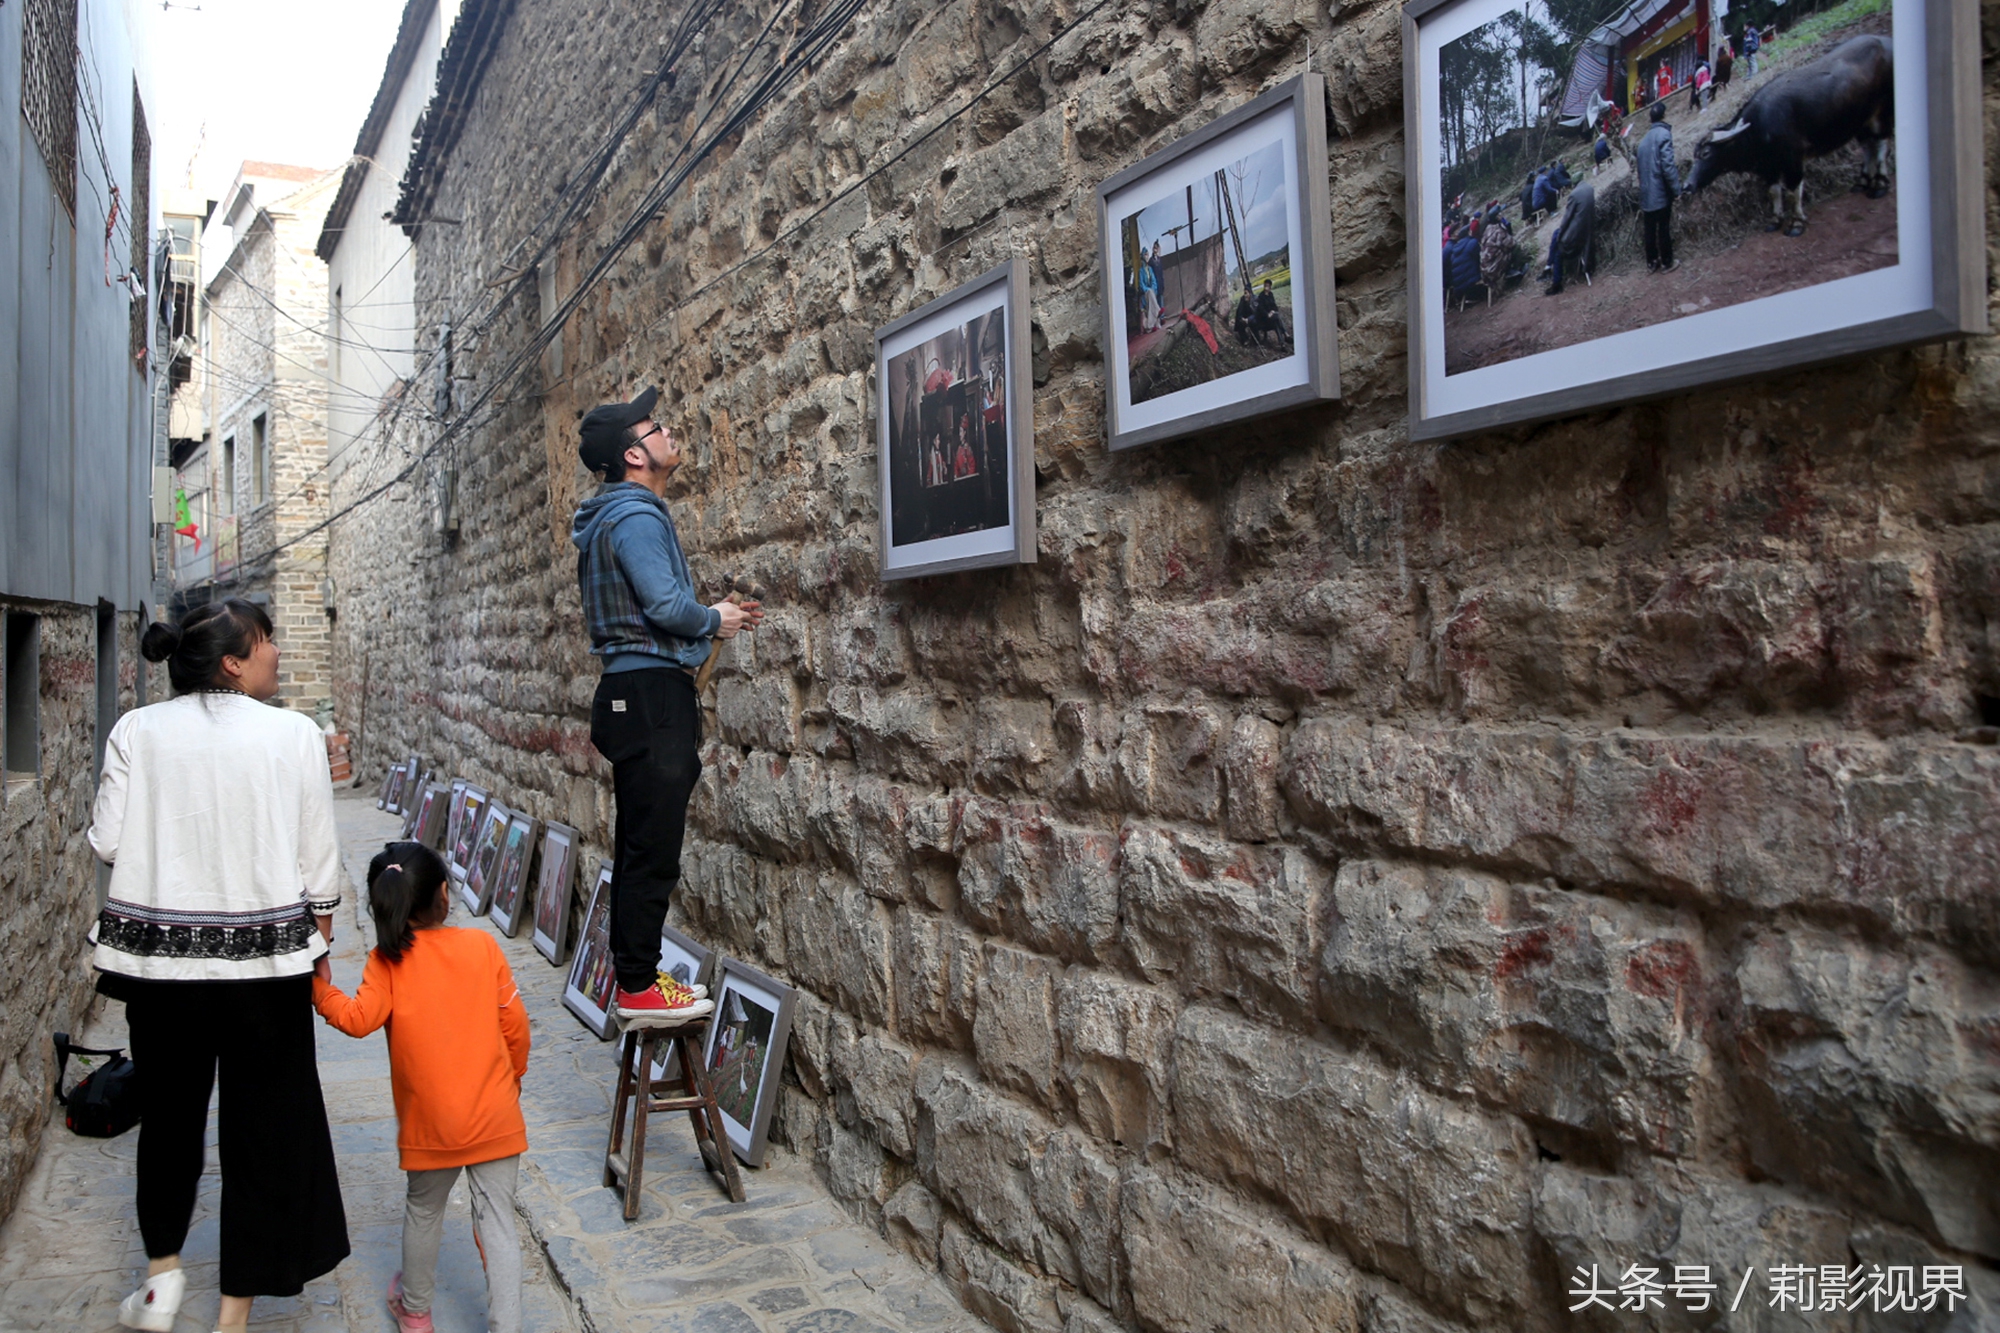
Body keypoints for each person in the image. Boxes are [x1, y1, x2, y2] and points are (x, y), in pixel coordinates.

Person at [90, 599, 349, 1333]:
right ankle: (233, 1313)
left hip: (160, 966)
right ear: (234, 661)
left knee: (169, 1119)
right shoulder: (295, 734)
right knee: (263, 1128)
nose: (276, 652)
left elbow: (108, 841)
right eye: (266, 641)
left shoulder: (137, 729)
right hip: (265, 967)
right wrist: (319, 942)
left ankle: (162, 1276)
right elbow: (318, 860)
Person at [569, 387, 759, 1027]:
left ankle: (635, 977)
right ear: (634, 453)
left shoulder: (606, 519)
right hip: (651, 698)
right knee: (654, 848)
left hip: (627, 694)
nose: (667, 430)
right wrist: (714, 617)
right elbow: (665, 606)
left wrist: (710, 625)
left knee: (638, 843)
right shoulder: (639, 516)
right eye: (654, 426)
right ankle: (638, 985)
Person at [312, 843, 530, 1333]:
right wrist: (512, 1077)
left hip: (430, 1122)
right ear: (444, 896)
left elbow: (356, 1018)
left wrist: (319, 986)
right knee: (497, 1221)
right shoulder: (482, 948)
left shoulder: (386, 962)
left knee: (424, 1212)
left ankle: (414, 1313)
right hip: (493, 1110)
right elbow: (514, 1024)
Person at [1635, 100, 1682, 272]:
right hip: (1660, 192)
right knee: (1663, 228)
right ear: (1663, 116)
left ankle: (1651, 262)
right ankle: (1667, 262)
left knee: (1649, 229)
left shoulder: (1642, 142)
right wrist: (1676, 190)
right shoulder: (1663, 134)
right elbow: (1668, 167)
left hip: (1646, 193)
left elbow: (1639, 171)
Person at [1544, 181, 1597, 294]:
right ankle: (1548, 266)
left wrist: (1561, 235)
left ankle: (1556, 283)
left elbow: (1567, 218)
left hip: (1577, 235)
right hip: (1587, 229)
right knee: (1555, 234)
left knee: (1558, 249)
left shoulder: (1574, 195)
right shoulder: (1589, 188)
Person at [1252, 279, 1290, 345]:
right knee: (1277, 317)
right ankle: (1286, 334)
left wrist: (1272, 311)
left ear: (1270, 287)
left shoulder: (1271, 294)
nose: (1266, 287)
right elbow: (1261, 309)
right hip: (1265, 318)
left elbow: (1274, 306)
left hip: (1272, 317)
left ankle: (1282, 344)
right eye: (1265, 285)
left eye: (1268, 286)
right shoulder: (1261, 296)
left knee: (1276, 323)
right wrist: (1267, 314)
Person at [1136, 244, 1162, 331]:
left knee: (1152, 294)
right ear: (1143, 257)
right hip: (1145, 293)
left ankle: (1150, 325)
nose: (1147, 256)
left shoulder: (1150, 269)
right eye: (1145, 255)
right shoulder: (1141, 271)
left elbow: (1154, 281)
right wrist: (1148, 290)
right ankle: (1158, 311)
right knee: (1150, 293)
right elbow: (1141, 284)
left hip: (1151, 293)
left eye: (1147, 254)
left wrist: (1153, 289)